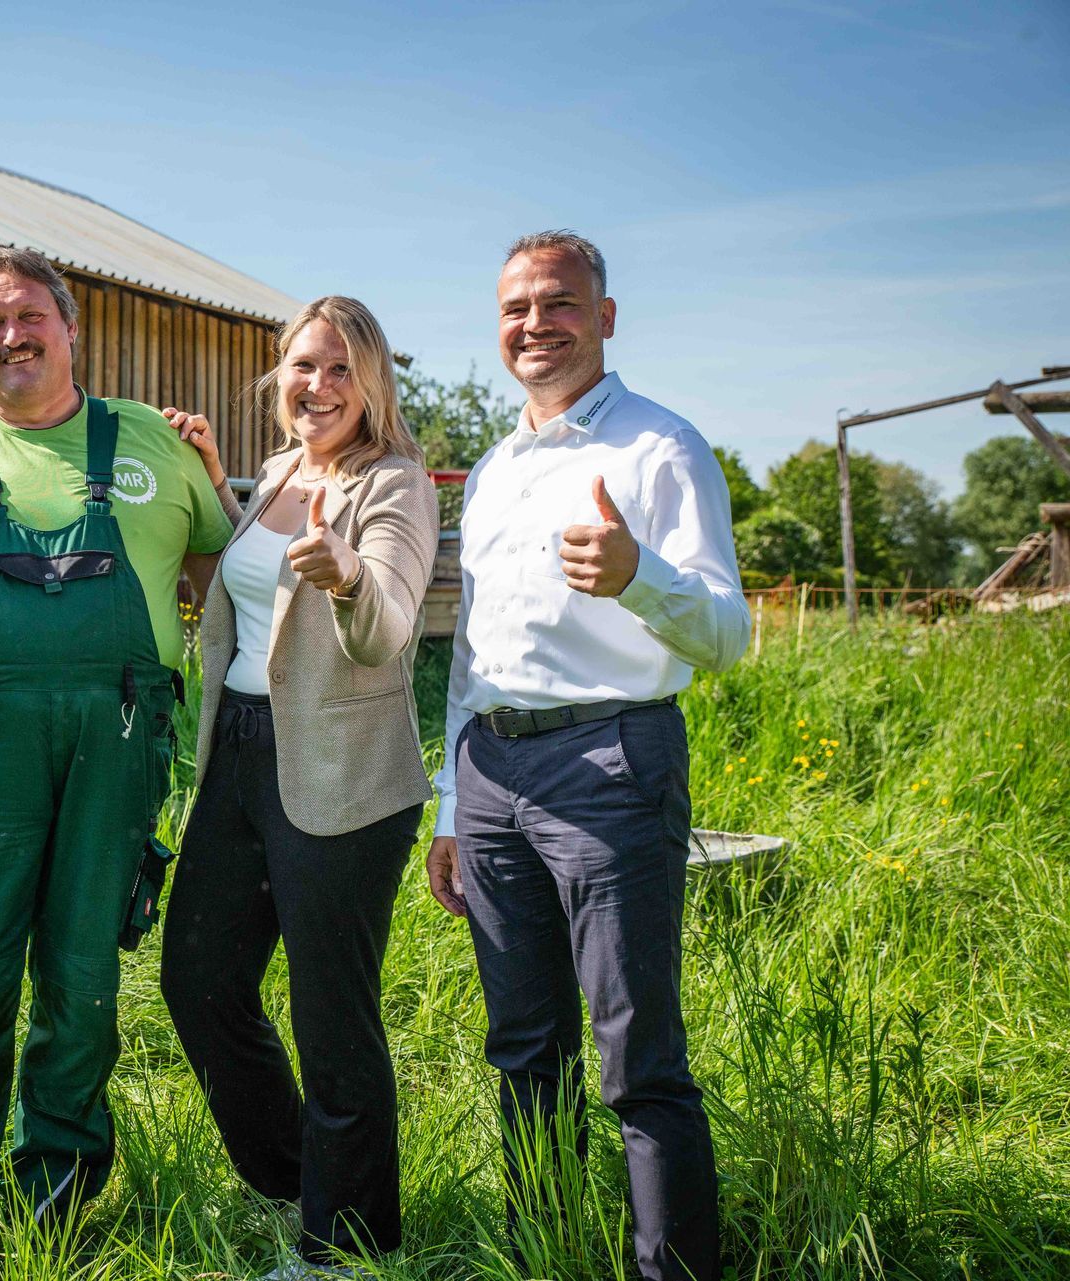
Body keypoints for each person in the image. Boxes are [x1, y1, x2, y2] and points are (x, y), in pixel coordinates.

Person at [0, 246, 232, 1274]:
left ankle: (49, 1207)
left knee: (80, 984)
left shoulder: (149, 441)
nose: (11, 337)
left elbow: (221, 568)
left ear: (71, 329)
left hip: (116, 747)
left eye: (29, 318)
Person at [425, 231, 749, 1281]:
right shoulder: (492, 469)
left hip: (610, 762)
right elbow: (472, 652)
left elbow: (728, 635)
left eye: (559, 303)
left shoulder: (659, 448)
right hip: (492, 773)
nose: (535, 324)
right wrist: (447, 807)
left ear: (604, 318)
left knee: (637, 1061)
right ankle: (544, 1252)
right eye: (517, 306)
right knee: (523, 1050)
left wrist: (637, 575)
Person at [158, 296, 439, 1278]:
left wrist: (349, 574)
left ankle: (344, 1246)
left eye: (338, 370)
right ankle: (303, 1175)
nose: (315, 386)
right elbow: (254, 590)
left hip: (343, 772)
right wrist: (209, 485)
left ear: (371, 386)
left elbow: (390, 621)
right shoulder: (278, 473)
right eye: (303, 366)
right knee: (196, 979)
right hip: (236, 755)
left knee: (331, 1014)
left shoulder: (393, 485)